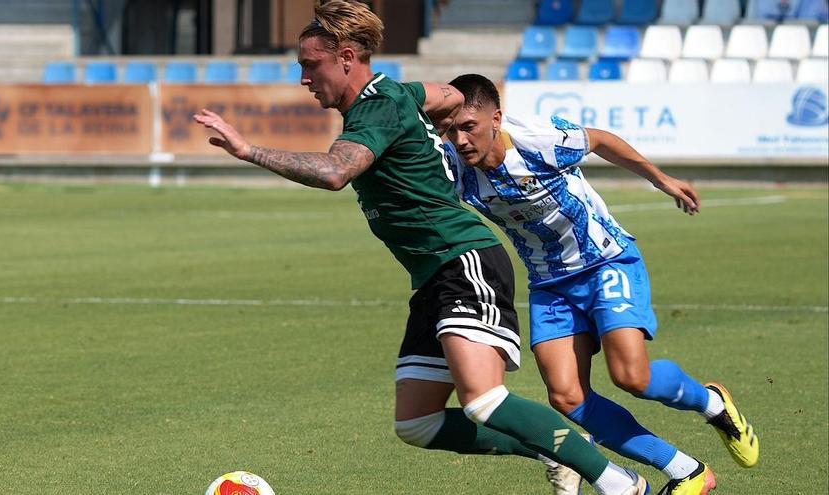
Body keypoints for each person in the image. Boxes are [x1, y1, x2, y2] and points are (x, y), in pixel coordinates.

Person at [193, 2, 649, 494]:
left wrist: (249, 150)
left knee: (484, 400)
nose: (304, 77)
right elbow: (451, 95)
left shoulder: (377, 108)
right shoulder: (397, 93)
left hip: (464, 261)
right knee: (418, 423)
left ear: (346, 57)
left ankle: (618, 482)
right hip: (433, 276)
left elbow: (335, 172)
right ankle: (557, 447)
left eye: (310, 64)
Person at [438, 73, 760, 495]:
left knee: (632, 377)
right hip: (549, 284)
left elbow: (602, 141)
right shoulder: (453, 166)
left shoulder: (537, 140)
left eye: (469, 127)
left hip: (605, 262)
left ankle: (712, 403)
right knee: (567, 397)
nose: (460, 140)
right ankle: (686, 470)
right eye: (452, 129)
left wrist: (660, 179)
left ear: (496, 119)